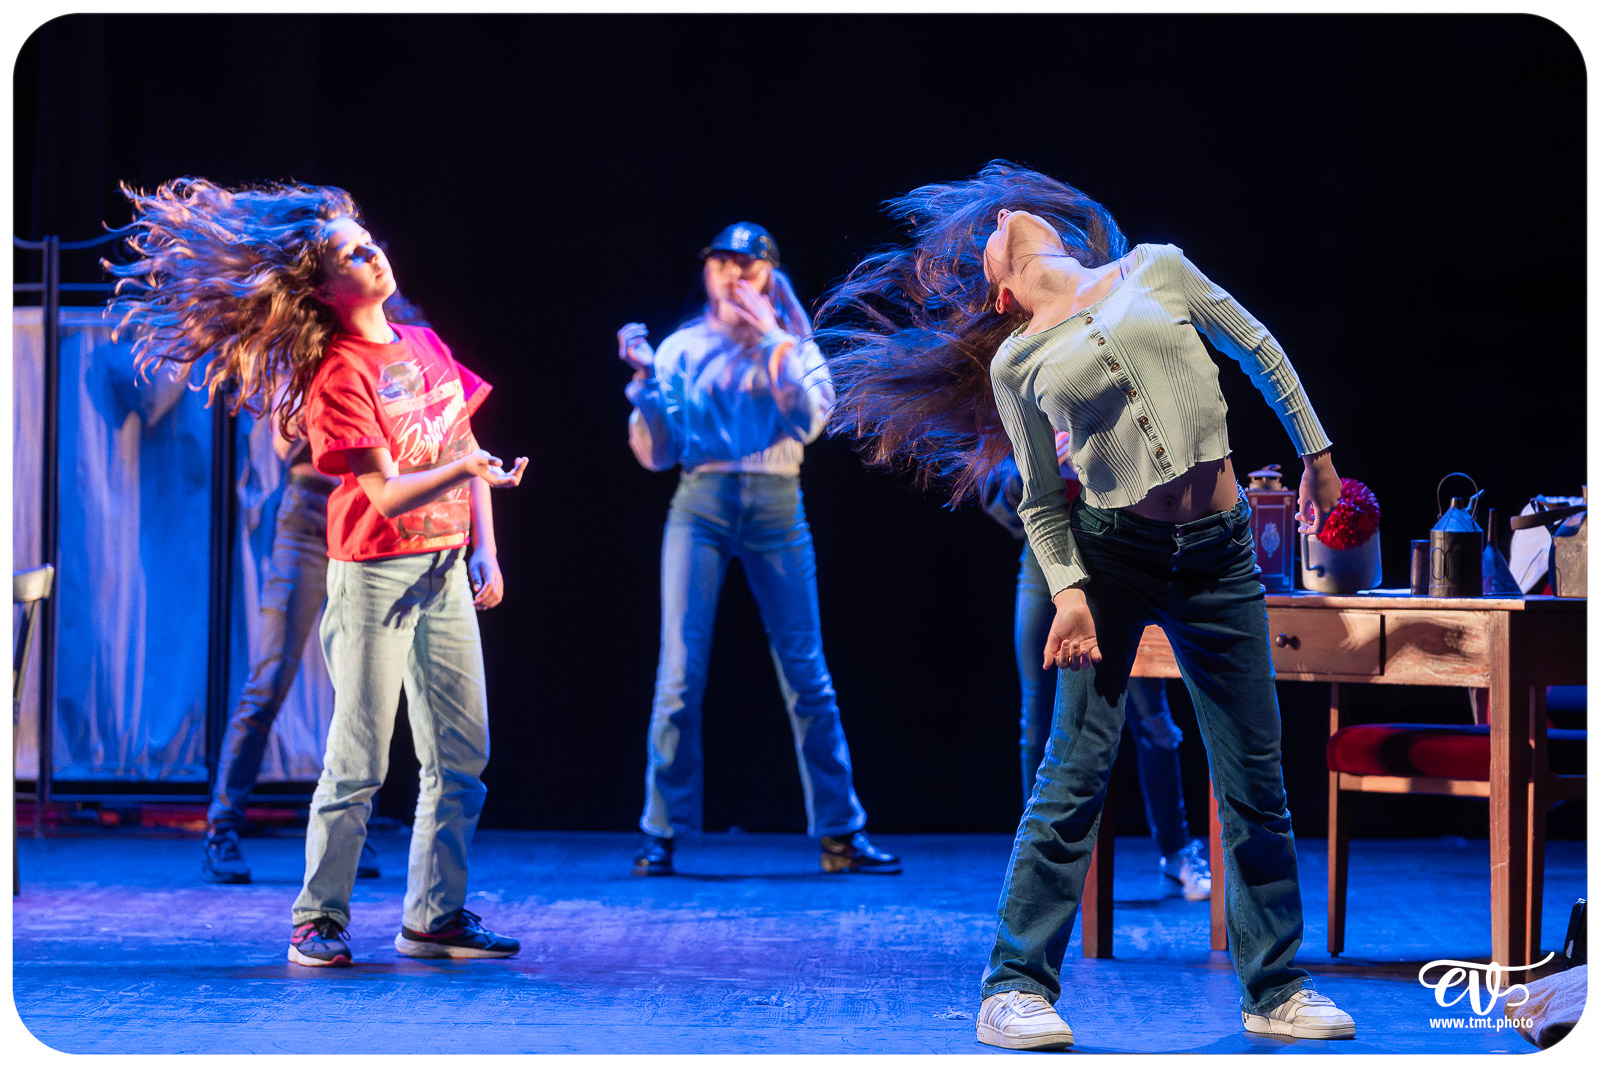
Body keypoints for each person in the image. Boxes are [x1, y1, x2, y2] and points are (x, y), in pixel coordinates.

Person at [818, 162, 1354, 1047]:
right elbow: (1038, 498)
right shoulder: (1019, 358)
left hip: (1219, 555)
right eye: (992, 229)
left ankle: (1275, 987)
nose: (1006, 213)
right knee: (1072, 771)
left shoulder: (1156, 267)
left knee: (1255, 777)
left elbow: (1258, 347)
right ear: (999, 290)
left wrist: (1317, 456)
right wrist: (1068, 590)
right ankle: (1014, 986)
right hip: (1114, 555)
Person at [110, 178, 528, 967]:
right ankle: (318, 917)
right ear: (324, 290)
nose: (373, 254)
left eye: (368, 242)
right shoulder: (338, 374)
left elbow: (462, 442)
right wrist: (465, 468)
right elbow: (387, 491)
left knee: (461, 752)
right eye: (351, 254)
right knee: (359, 755)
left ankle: (434, 916)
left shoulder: (424, 345)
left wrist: (486, 546)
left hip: (444, 568)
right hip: (374, 573)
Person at [618, 222, 898, 877]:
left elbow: (808, 421)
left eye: (748, 265)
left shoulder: (794, 345)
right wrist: (647, 380)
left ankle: (842, 832)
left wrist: (775, 339)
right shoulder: (683, 347)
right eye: (722, 263)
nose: (734, 275)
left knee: (806, 671)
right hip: (702, 502)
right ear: (707, 270)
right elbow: (658, 453)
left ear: (771, 274)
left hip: (776, 502)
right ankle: (660, 830)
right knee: (679, 673)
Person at [981, 435, 1210, 902]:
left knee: (1152, 718)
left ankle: (1176, 852)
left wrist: (1097, 458)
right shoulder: (1025, 396)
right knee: (1036, 719)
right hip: (1047, 560)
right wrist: (1038, 464)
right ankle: (1036, 860)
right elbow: (994, 490)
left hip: (1120, 560)